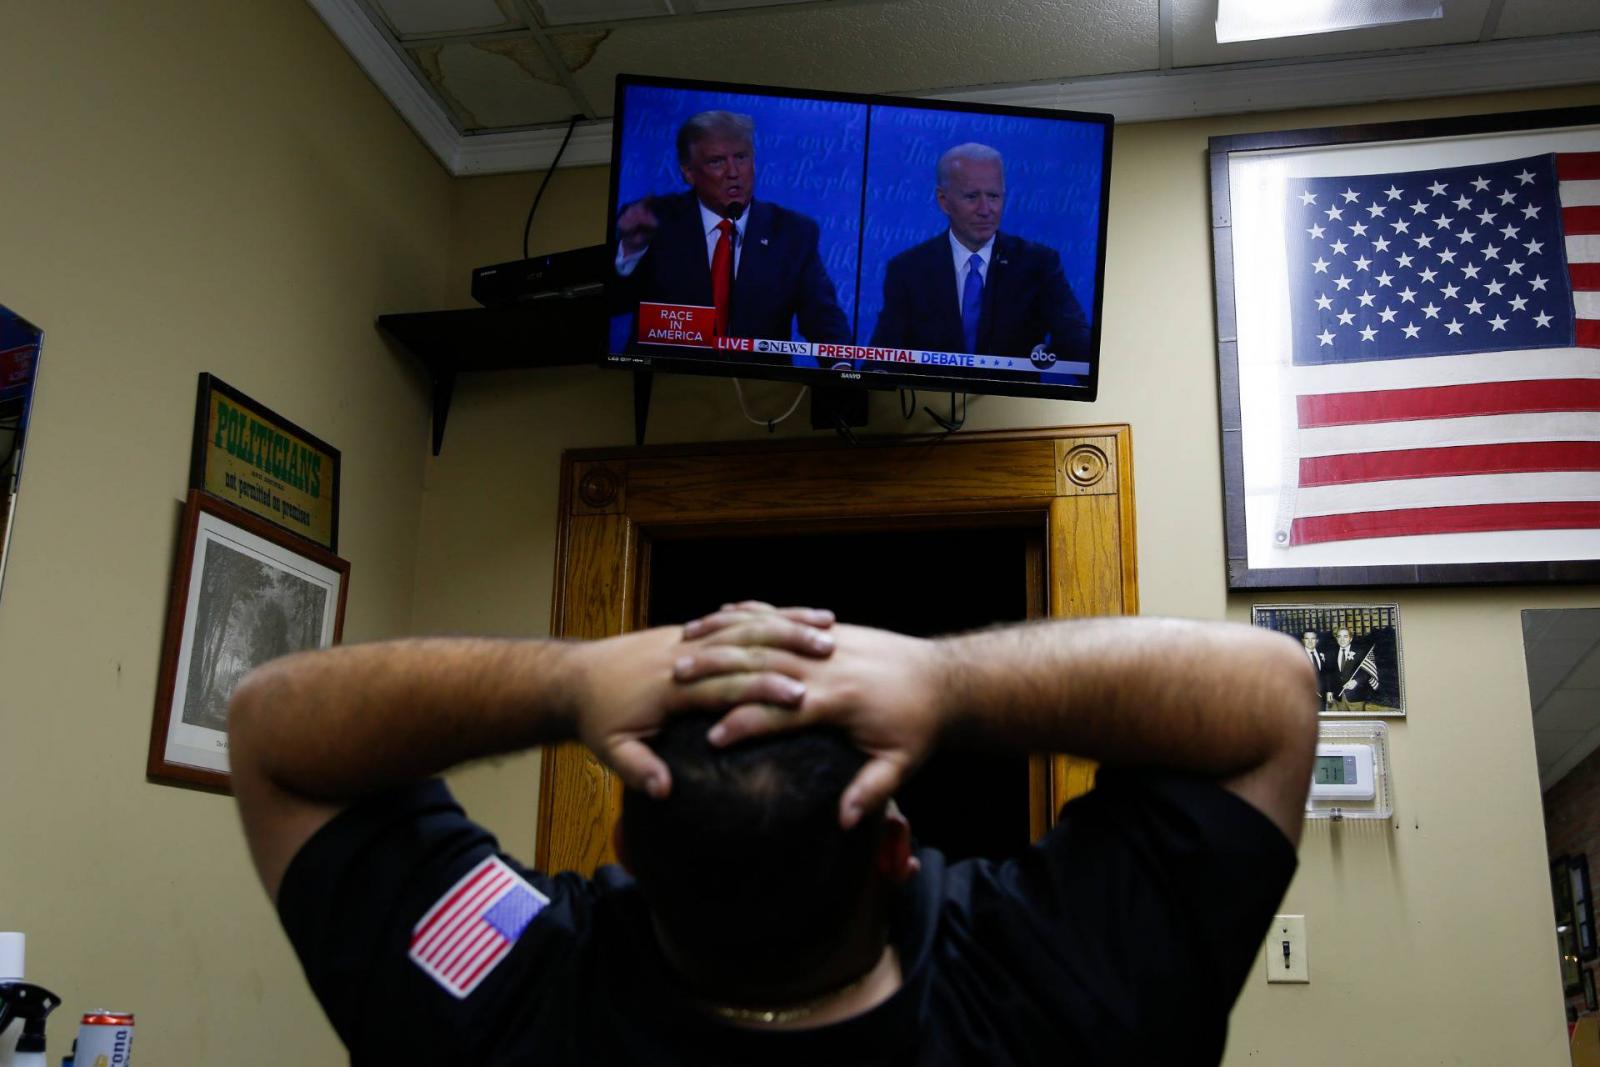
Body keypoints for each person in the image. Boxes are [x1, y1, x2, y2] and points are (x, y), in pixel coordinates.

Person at [229, 605, 1316, 1065]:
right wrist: (945, 678)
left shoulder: (509, 1003)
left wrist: (569, 680)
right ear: (895, 843)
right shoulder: (1062, 986)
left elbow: (273, 726)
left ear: (627, 843)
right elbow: (1269, 692)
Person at [613, 111, 850, 346]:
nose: (734, 173)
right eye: (717, 161)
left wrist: (841, 367)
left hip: (757, 381)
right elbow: (614, 302)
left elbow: (821, 315)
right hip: (671, 379)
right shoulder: (652, 220)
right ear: (688, 172)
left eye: (741, 157)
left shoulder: (792, 231)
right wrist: (631, 249)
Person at [869, 143, 1091, 361]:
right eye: (972, 197)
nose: (986, 210)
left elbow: (1077, 344)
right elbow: (882, 359)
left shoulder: (1038, 265)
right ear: (944, 201)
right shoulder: (909, 270)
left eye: (994, 196)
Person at [1331, 625, 1381, 712]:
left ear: (1350, 638)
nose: (1342, 639)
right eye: (1339, 636)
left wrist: (1356, 681)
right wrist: (1329, 691)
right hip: (1338, 697)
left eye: (1345, 636)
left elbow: (1366, 672)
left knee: (1358, 723)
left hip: (1356, 697)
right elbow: (1329, 673)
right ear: (1336, 638)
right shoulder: (1332, 653)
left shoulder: (1360, 652)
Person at [1302, 629, 1335, 706]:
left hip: (1321, 697)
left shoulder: (1322, 653)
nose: (1310, 641)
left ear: (1317, 640)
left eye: (1313, 638)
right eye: (1307, 639)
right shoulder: (1298, 655)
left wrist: (1329, 691)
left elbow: (1328, 674)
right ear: (1303, 640)